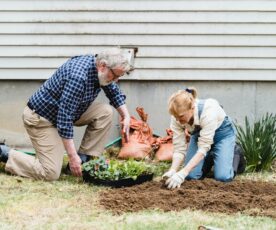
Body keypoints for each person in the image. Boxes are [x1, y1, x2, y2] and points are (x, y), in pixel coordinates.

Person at [0, 48, 134, 181]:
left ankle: (82, 162)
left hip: (67, 111)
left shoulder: (100, 69)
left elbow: (113, 91)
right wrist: (71, 155)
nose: (116, 80)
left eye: (119, 77)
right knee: (50, 173)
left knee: (105, 112)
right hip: (42, 119)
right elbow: (64, 120)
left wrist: (125, 116)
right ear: (103, 66)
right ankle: (4, 153)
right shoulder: (78, 77)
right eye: (115, 75)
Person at [163, 87, 237, 189]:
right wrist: (173, 170)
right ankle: (211, 157)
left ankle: (234, 153)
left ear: (192, 108)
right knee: (191, 176)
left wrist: (183, 172)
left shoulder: (208, 111)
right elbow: (179, 148)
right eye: (176, 117)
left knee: (223, 177)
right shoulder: (176, 116)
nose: (178, 121)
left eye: (181, 117)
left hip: (222, 135)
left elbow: (203, 148)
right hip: (199, 136)